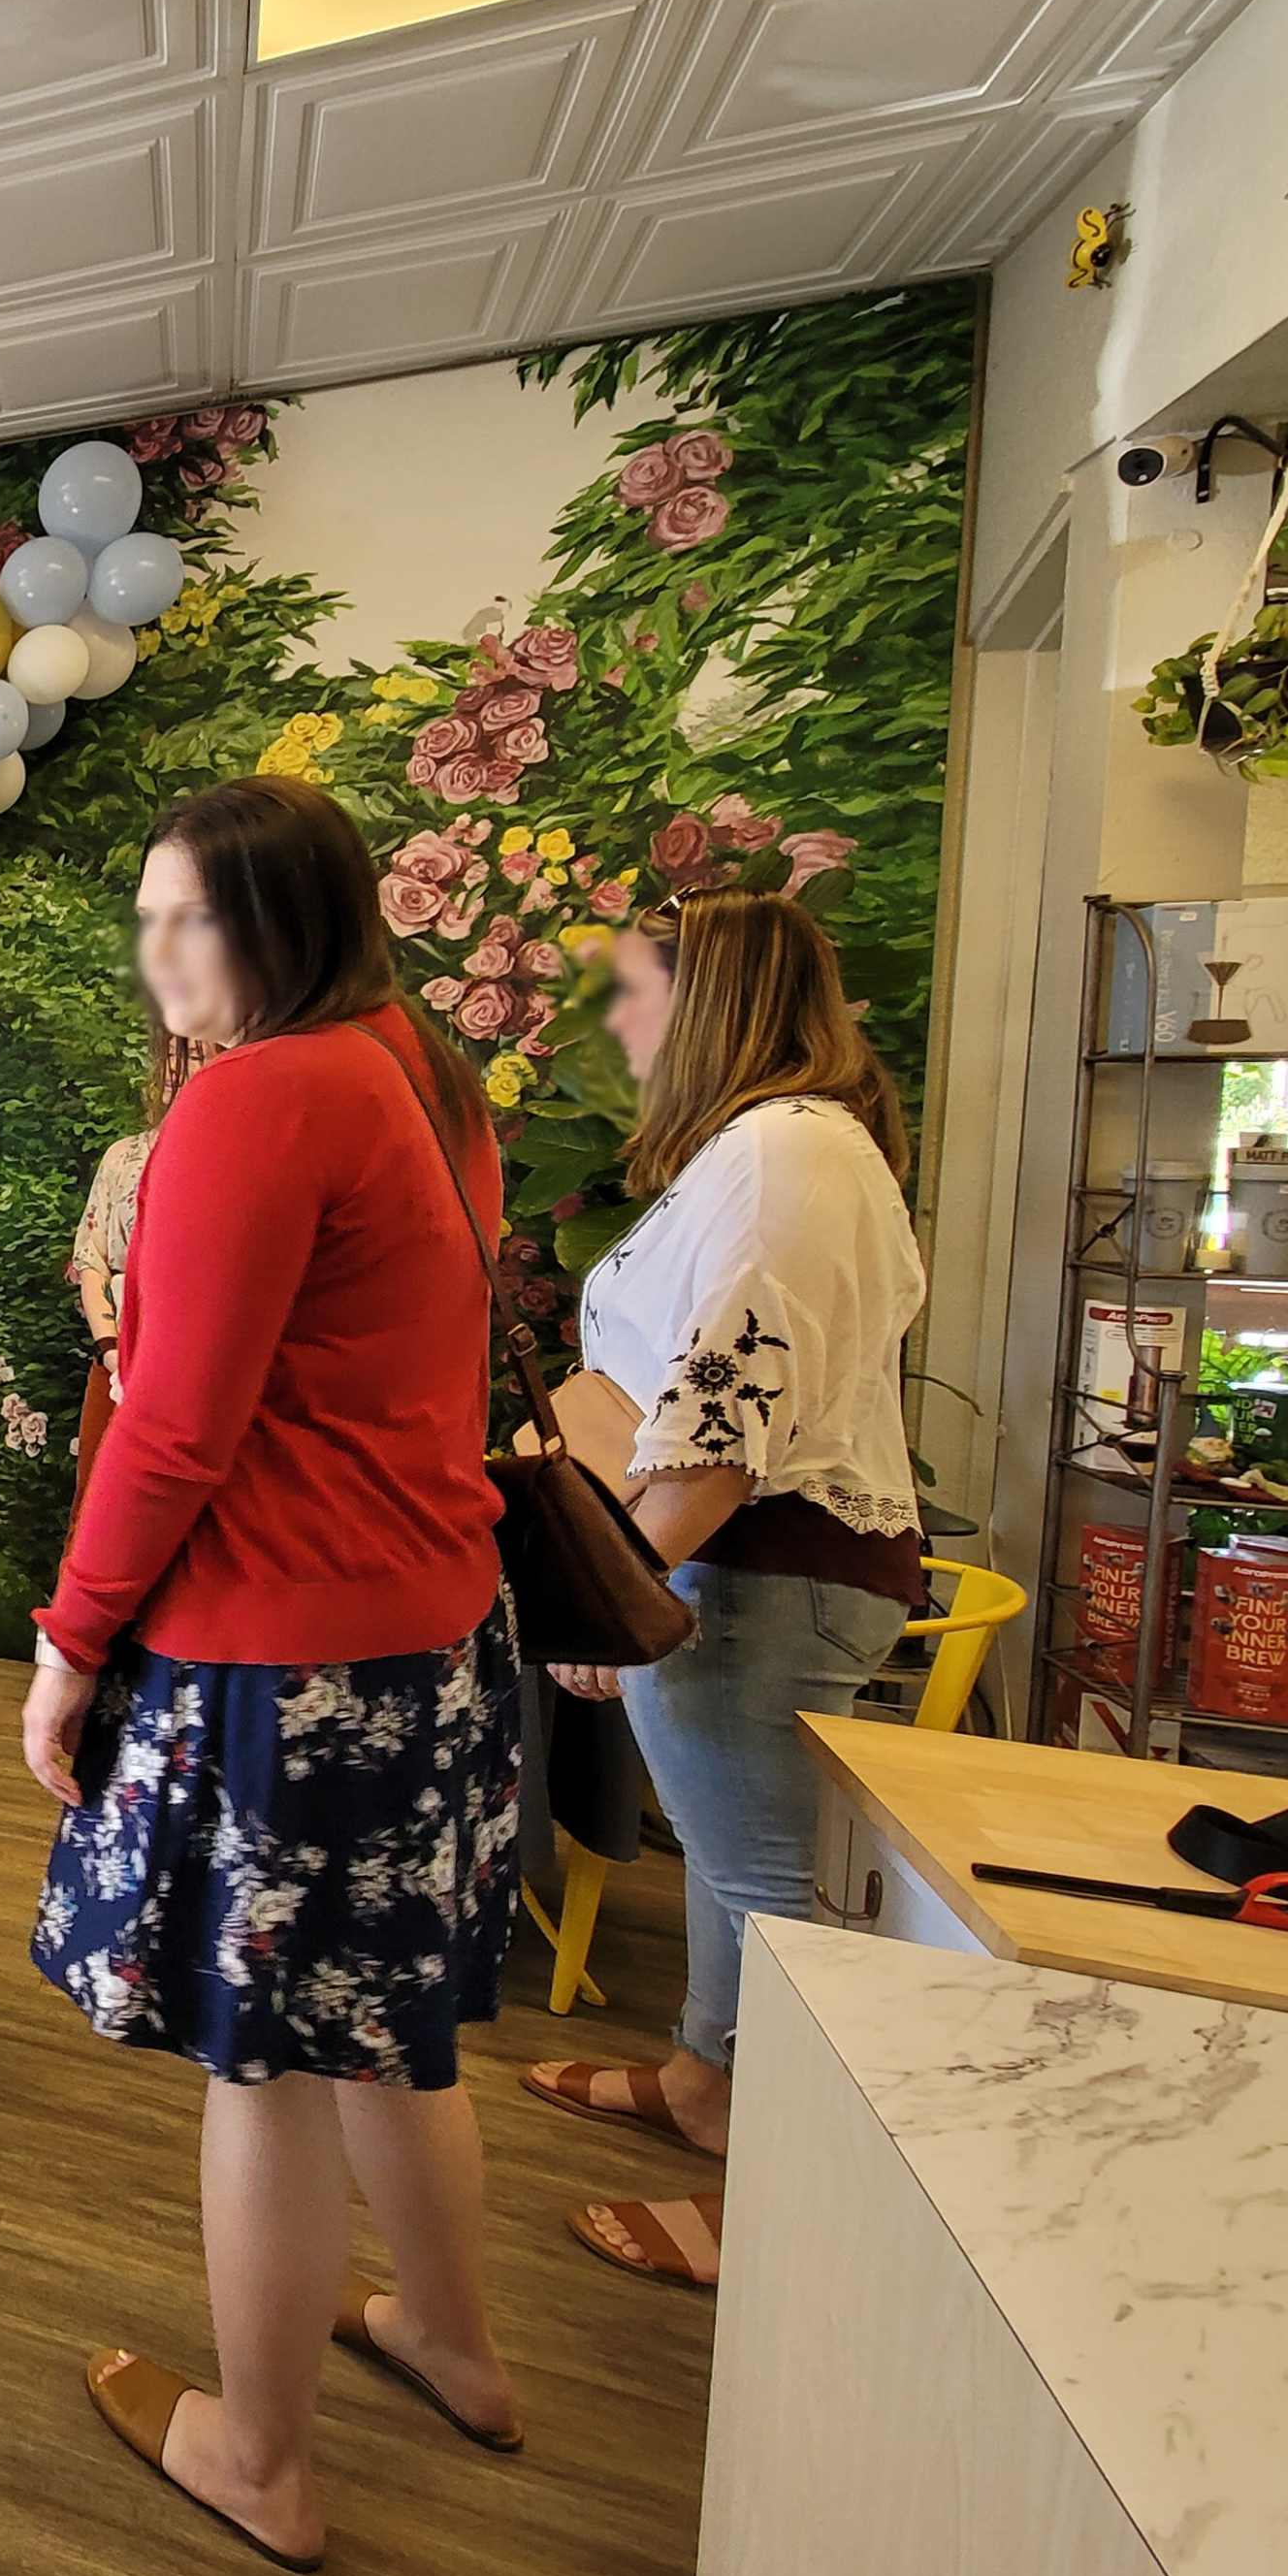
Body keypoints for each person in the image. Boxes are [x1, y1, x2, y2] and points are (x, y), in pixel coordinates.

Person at [19, 775, 524, 2573]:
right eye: (146, 915)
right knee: (389, 2034)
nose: (159, 951)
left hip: (283, 1659)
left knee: (268, 2067)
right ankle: (452, 2342)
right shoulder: (420, 1070)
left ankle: (262, 2456)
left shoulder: (257, 1098)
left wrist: (69, 1641)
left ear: (284, 922)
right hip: (431, 1633)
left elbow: (172, 1427)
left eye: (195, 916)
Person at [527, 888, 923, 2295]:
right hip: (743, 1566)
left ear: (712, 1005)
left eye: (637, 999)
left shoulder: (783, 1154)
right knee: (729, 1858)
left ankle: (769, 2199)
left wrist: (613, 1590)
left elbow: (721, 1419)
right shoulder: (768, 1148)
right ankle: (705, 2082)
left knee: (768, 1889)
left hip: (762, 1572)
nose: (622, 1029)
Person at [65, 1126, 148, 1496]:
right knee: (95, 1498)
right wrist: (111, 1351)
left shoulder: (234, 1159)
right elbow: (92, 1260)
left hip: (191, 1365)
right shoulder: (124, 1156)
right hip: (117, 1357)